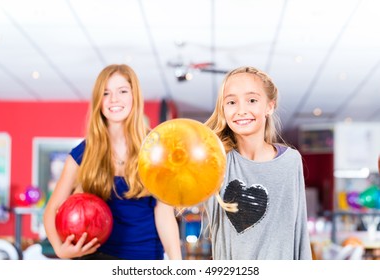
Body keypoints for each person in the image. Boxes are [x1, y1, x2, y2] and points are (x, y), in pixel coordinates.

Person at [43, 64, 182, 260]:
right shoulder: (84, 151)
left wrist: (178, 265)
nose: (114, 99)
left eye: (122, 91)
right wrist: (59, 249)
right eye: (106, 93)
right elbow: (52, 209)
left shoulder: (155, 148)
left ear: (134, 96)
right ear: (99, 101)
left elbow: (165, 215)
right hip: (95, 259)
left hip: (143, 259)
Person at [204, 66, 312, 260]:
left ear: (269, 106)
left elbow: (299, 232)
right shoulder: (215, 161)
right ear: (223, 109)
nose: (241, 110)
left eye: (252, 100)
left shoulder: (290, 162)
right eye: (231, 102)